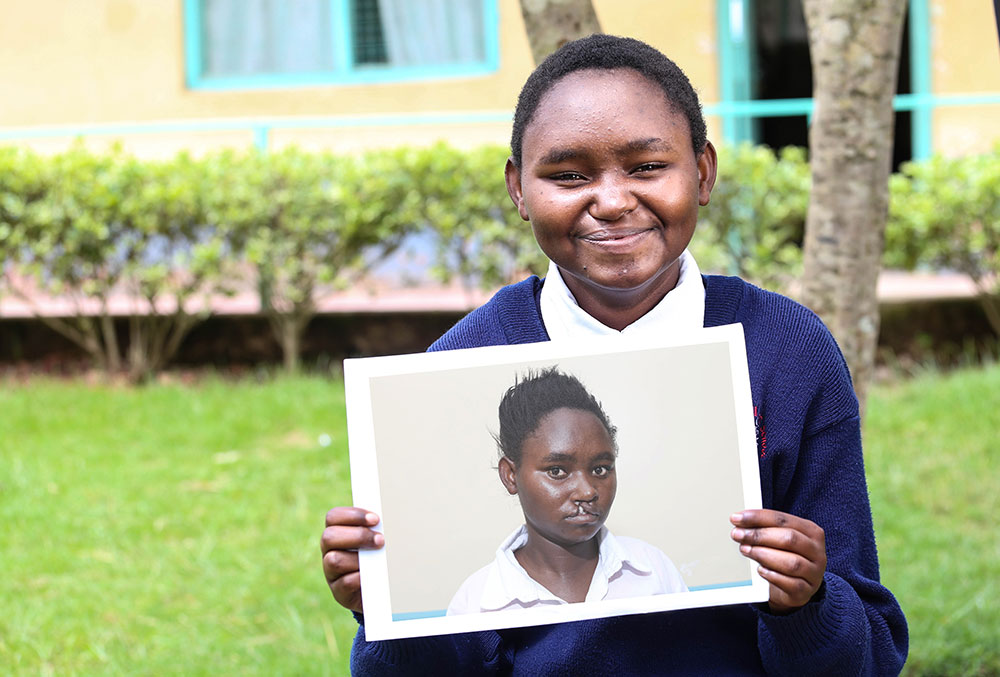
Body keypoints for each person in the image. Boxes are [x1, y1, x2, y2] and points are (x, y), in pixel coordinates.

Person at [321, 34, 908, 675]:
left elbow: (871, 654)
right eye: (568, 176)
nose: (611, 200)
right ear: (519, 189)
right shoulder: (454, 371)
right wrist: (386, 607)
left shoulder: (788, 351)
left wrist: (809, 604)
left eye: (648, 167)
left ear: (704, 171)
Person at [447, 367, 687, 616]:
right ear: (510, 475)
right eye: (557, 471)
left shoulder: (653, 570)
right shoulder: (475, 604)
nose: (587, 491)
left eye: (601, 469)